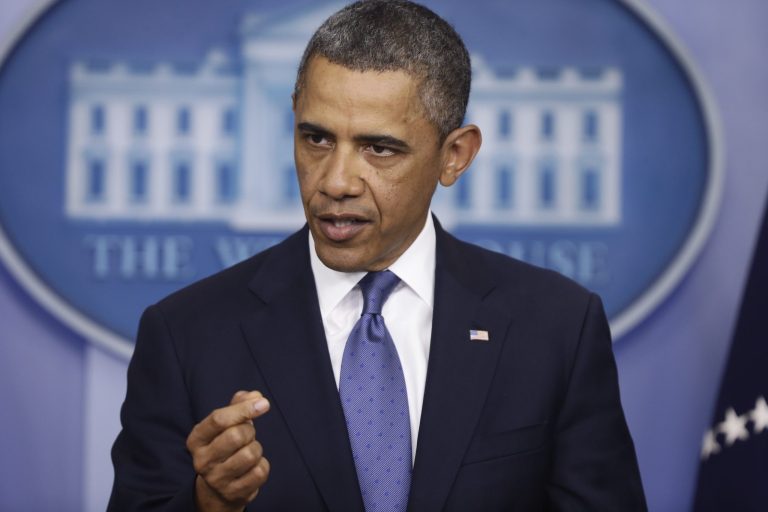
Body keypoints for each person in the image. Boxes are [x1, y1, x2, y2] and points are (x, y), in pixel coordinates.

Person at [108, 1, 647, 510]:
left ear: (454, 156)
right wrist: (209, 505)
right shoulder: (186, 334)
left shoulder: (555, 327)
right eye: (316, 139)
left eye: (379, 148)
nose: (336, 181)